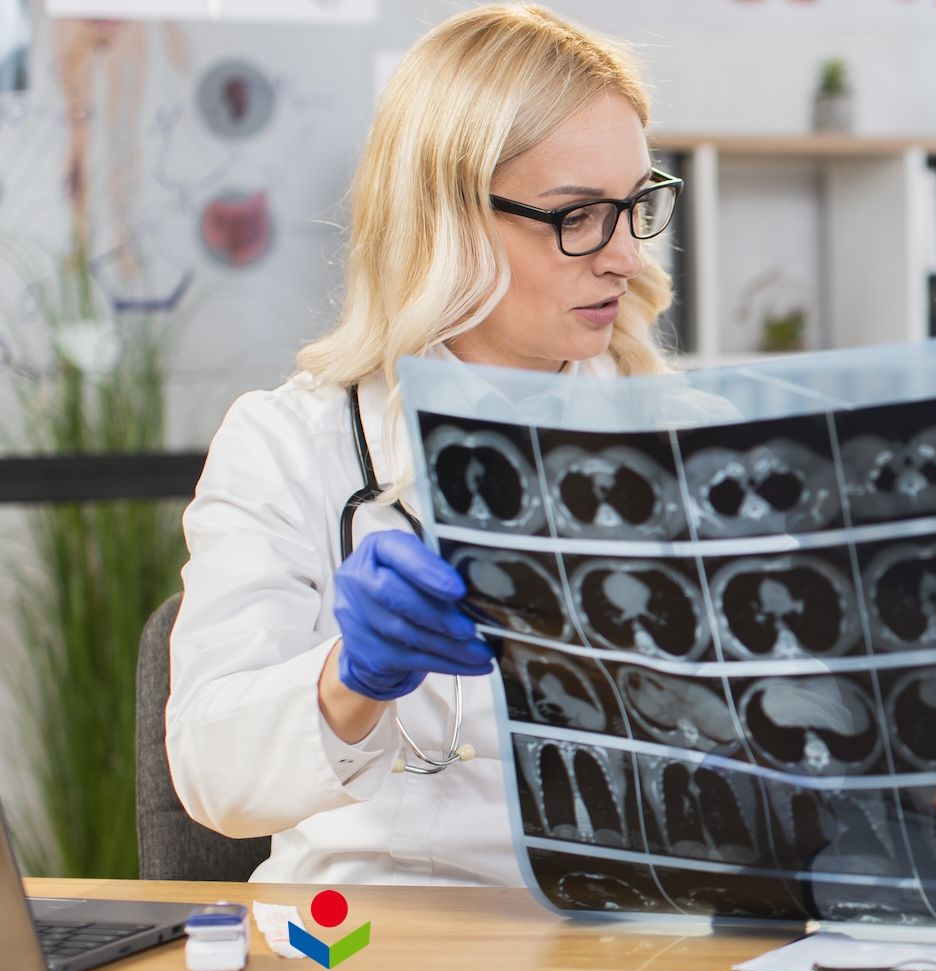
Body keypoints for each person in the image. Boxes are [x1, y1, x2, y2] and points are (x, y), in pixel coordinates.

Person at [167, 4, 677, 885]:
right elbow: (212, 777)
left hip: (633, 939)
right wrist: (350, 677)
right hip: (376, 951)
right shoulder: (290, 444)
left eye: (636, 206)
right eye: (579, 215)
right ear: (446, 220)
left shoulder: (685, 442)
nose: (624, 256)